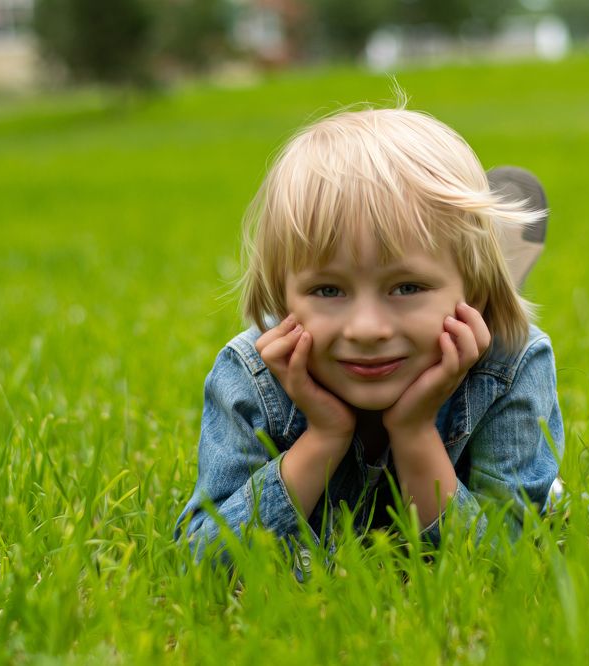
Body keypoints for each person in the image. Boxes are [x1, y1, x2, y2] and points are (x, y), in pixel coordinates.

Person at [174, 106, 563, 561]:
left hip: (479, 331)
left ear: (473, 297)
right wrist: (323, 436)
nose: (367, 330)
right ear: (282, 302)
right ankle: (453, 274)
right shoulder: (252, 375)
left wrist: (415, 431)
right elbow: (200, 559)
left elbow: (504, 558)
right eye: (328, 289)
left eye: (406, 287)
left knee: (552, 508)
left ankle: (481, 280)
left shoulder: (511, 364)